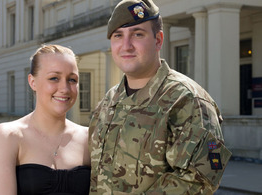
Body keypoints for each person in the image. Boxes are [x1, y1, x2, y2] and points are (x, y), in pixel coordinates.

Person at [88, 0, 232, 194]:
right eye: (118, 36)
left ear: (158, 40)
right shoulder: (109, 101)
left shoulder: (187, 99)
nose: (126, 45)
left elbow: (200, 179)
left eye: (138, 34)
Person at [0, 44, 91, 195]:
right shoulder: (8, 136)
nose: (65, 88)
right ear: (32, 82)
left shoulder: (89, 138)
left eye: (72, 80)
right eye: (54, 78)